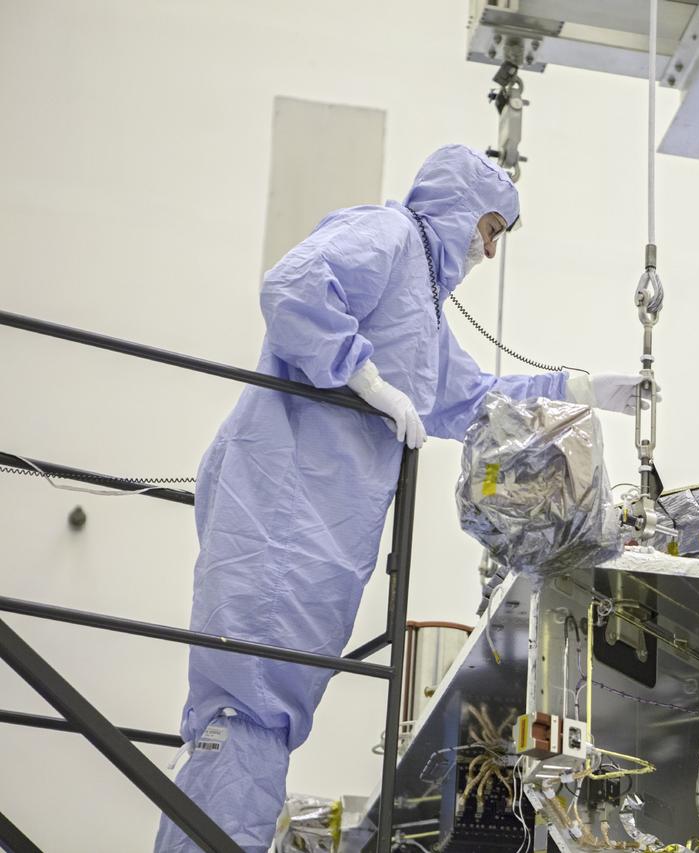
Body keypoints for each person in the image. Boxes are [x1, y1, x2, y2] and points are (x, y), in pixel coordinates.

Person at [155, 145, 644, 852]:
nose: (489, 250)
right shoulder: (386, 237)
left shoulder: (422, 309)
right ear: (457, 206)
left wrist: (579, 390)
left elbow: (472, 399)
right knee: (250, 705)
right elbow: (294, 286)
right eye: (490, 228)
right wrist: (364, 379)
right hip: (278, 507)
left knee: (269, 711)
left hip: (320, 530)